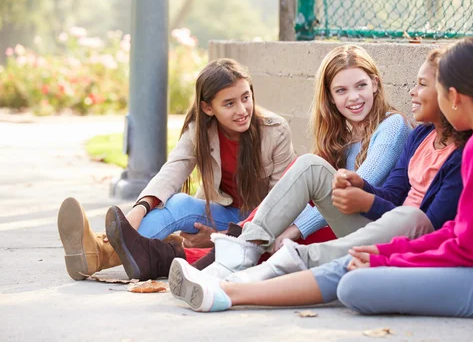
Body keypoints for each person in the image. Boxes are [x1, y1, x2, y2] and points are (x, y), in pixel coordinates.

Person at [169, 37, 473, 319]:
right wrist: (386, 252)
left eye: (424, 85)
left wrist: (389, 256)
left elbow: (464, 243)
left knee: (354, 285)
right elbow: (462, 235)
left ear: (452, 96)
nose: (415, 93)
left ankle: (229, 291)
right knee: (355, 274)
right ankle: (227, 292)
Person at [105, 44, 412, 281]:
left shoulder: (391, 126)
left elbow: (357, 189)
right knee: (187, 210)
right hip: (292, 222)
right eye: (341, 90)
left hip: (368, 226)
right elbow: (173, 170)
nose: (353, 97)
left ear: (375, 83)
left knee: (300, 183)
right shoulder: (341, 139)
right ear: (330, 98)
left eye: (360, 86)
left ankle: (179, 257)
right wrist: (141, 207)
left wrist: (291, 230)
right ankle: (115, 251)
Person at [57, 58, 296, 281]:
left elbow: (278, 207)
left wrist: (220, 236)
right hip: (221, 211)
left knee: (177, 210)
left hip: (258, 221)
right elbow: (172, 172)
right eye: (229, 103)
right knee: (178, 204)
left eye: (246, 97)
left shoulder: (275, 131)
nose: (242, 110)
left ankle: (99, 252)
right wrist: (138, 210)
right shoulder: (199, 131)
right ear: (208, 108)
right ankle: (102, 250)